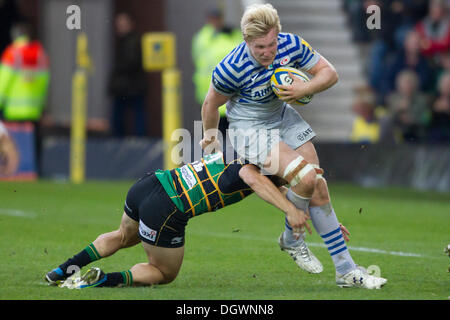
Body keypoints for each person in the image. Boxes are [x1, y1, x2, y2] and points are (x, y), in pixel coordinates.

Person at [200, 3, 387, 289]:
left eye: (272, 43)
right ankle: (292, 238)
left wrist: (305, 88)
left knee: (318, 186)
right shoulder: (231, 67)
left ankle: (345, 271)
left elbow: (329, 73)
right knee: (306, 177)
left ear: (279, 35)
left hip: (282, 116)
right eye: (260, 46)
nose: (268, 51)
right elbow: (211, 103)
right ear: (247, 41)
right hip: (250, 127)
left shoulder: (291, 45)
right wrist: (211, 137)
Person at [45, 151, 343, 288]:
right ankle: (102, 281)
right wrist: (291, 211)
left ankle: (62, 270)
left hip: (150, 184)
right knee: (163, 273)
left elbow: (288, 196)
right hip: (168, 209)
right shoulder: (253, 169)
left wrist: (322, 222)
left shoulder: (249, 151)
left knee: (124, 236)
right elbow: (251, 177)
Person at [0, 22, 49, 176]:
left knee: (12, 144)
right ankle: (34, 171)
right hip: (34, 109)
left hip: (13, 110)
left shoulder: (12, 53)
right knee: (33, 144)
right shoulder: (40, 54)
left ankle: (12, 171)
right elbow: (44, 82)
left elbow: (3, 82)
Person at [192, 8, 242, 136]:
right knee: (215, 137)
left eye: (217, 18)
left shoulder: (232, 35)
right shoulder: (204, 38)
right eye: (213, 18)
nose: (215, 21)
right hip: (211, 93)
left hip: (231, 95)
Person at [108, 12, 147, 137]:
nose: (120, 27)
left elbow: (130, 63)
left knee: (130, 114)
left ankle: (123, 137)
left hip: (129, 86)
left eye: (123, 24)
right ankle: (128, 136)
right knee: (133, 113)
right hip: (129, 86)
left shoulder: (132, 41)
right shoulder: (125, 41)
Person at [381, 70, 432, 143]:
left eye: (410, 83)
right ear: (399, 85)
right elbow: (389, 118)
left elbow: (426, 119)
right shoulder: (392, 98)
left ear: (415, 85)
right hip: (397, 133)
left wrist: (412, 120)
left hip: (416, 133)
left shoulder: (422, 99)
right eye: (405, 83)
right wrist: (398, 109)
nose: (407, 86)